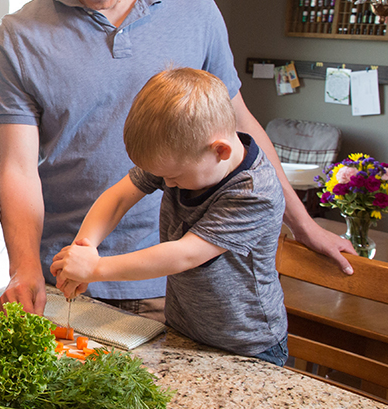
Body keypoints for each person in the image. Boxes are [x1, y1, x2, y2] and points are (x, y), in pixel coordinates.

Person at [0, 0, 353, 320]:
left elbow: (240, 128)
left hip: (176, 282)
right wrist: (23, 267)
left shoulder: (195, 9)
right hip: (66, 279)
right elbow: (18, 169)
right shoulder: (21, 35)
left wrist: (303, 226)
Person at [51, 68, 288, 365]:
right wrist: (84, 248)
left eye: (173, 177)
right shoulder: (181, 155)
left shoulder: (254, 193)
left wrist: (96, 269)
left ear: (220, 151)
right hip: (184, 328)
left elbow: (185, 254)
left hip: (246, 345)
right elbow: (119, 198)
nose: (167, 183)